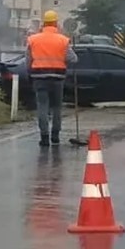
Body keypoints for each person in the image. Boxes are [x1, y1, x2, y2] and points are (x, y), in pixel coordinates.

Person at [26, 10, 78, 147]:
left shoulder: (33, 39)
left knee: (42, 107)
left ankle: (44, 137)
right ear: (55, 23)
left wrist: (30, 74)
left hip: (39, 77)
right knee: (56, 108)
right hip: (57, 78)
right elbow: (73, 58)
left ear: (44, 23)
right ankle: (55, 136)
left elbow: (28, 60)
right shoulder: (63, 40)